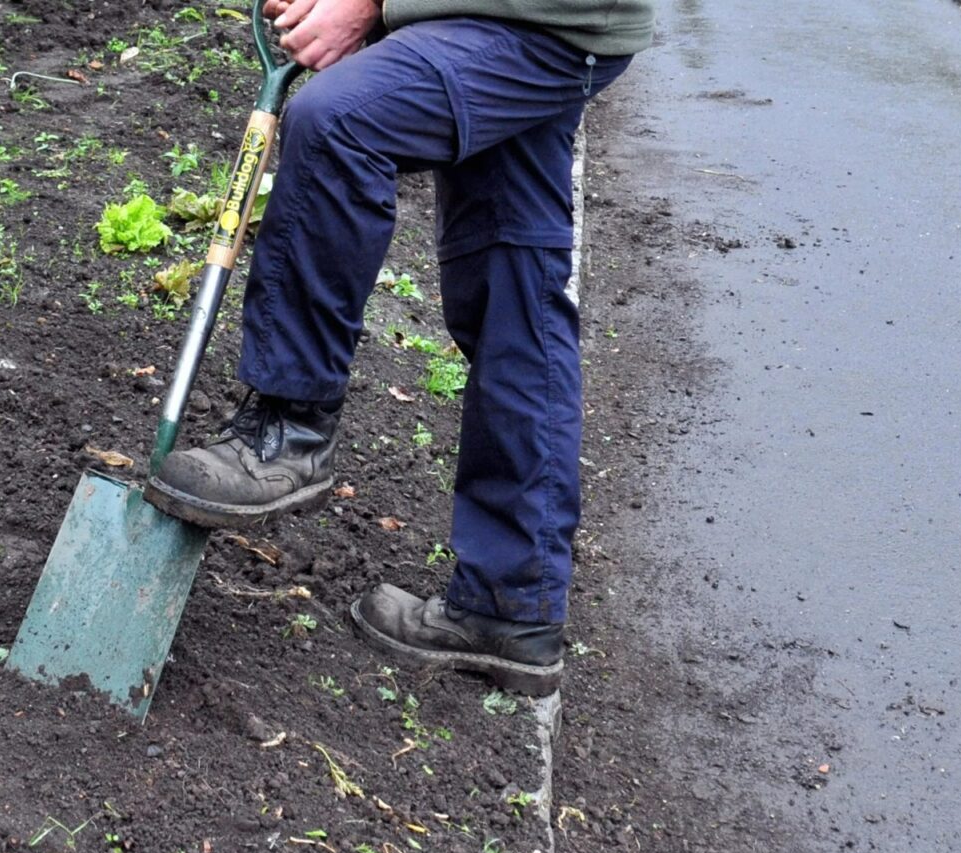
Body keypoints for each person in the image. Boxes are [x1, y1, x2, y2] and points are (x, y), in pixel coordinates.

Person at [144, 0, 655, 697]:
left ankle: (290, 429)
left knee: (337, 122)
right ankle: (511, 606)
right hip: (530, 23)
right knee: (514, 287)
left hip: (543, 18)